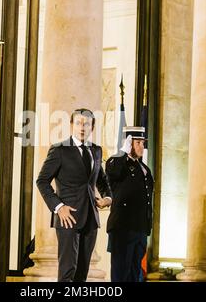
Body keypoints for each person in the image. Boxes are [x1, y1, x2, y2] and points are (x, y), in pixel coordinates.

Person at [36, 108, 113, 282]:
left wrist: (108, 198)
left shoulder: (96, 151)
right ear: (71, 126)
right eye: (78, 123)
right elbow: (42, 181)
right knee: (67, 273)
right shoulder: (59, 150)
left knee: (82, 274)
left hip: (91, 219)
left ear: (92, 127)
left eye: (86, 124)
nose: (82, 127)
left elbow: (101, 180)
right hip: (68, 218)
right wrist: (58, 207)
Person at [106, 126, 154, 282]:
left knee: (135, 273)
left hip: (140, 228)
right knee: (121, 273)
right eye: (138, 143)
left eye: (142, 143)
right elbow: (114, 174)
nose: (142, 146)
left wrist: (147, 227)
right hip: (123, 228)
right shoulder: (116, 162)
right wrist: (123, 153)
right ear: (128, 143)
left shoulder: (144, 169)